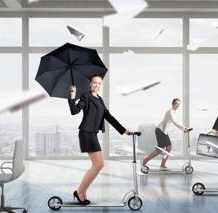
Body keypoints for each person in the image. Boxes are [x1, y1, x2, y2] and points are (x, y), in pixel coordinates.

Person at [68, 75, 132, 205]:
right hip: (86, 133)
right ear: (90, 84)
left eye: (99, 83)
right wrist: (72, 95)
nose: (97, 85)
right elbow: (74, 111)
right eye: (94, 83)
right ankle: (79, 191)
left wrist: (123, 130)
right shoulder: (85, 96)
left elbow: (108, 116)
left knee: (98, 164)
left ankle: (81, 191)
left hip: (93, 134)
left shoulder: (100, 99)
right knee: (99, 164)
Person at [141, 98, 190, 170]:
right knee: (160, 149)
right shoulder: (170, 111)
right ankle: (144, 161)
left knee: (168, 147)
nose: (178, 105)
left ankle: (162, 164)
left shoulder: (173, 112)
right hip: (160, 131)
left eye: (179, 104)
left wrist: (183, 129)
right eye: (176, 104)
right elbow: (174, 122)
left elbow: (169, 123)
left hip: (164, 132)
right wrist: (184, 128)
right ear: (173, 104)